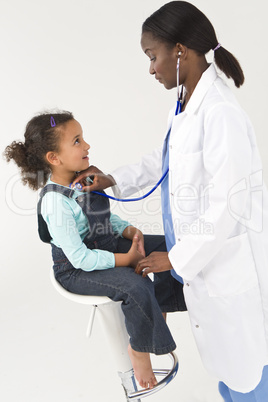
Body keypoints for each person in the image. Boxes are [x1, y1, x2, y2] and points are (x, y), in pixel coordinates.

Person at [72, 1, 268, 401]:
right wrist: (114, 180)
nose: (151, 68)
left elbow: (226, 206)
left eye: (152, 56)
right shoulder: (184, 100)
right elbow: (164, 163)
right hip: (207, 268)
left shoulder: (219, 112)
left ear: (180, 51)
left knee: (249, 374)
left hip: (227, 268)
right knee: (228, 370)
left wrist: (176, 258)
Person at [4, 111, 182, 390]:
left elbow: (104, 218)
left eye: (83, 138)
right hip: (75, 269)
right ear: (54, 158)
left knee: (169, 250)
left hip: (105, 244)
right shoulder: (55, 202)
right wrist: (127, 258)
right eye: (77, 141)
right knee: (135, 285)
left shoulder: (83, 180)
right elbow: (79, 257)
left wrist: (129, 231)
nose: (87, 145)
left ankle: (156, 313)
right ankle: (138, 348)